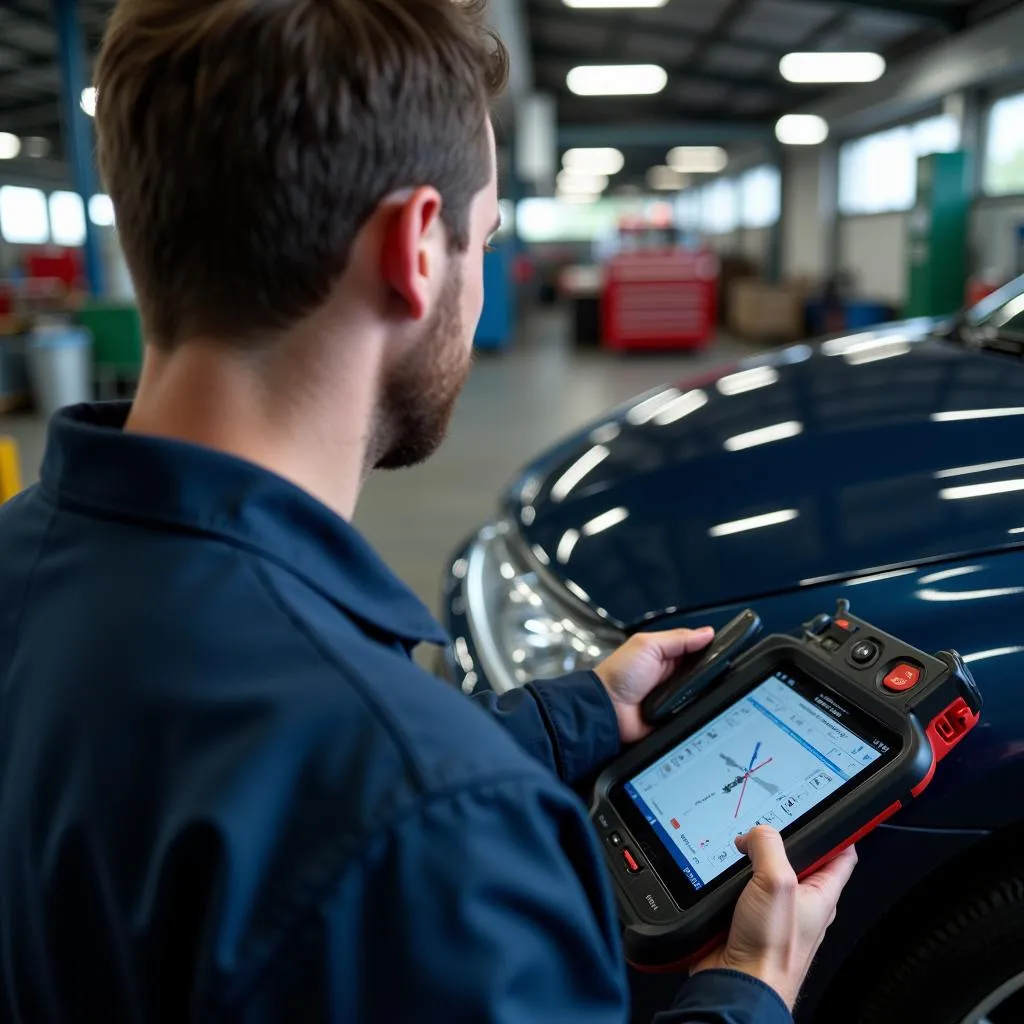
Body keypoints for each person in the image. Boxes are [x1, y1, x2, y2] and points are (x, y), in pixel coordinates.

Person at [0, 1, 857, 1021]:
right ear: (414, 247)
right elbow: (364, 796)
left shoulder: (27, 561)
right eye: (481, 238)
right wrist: (747, 991)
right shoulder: (439, 838)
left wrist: (573, 713)